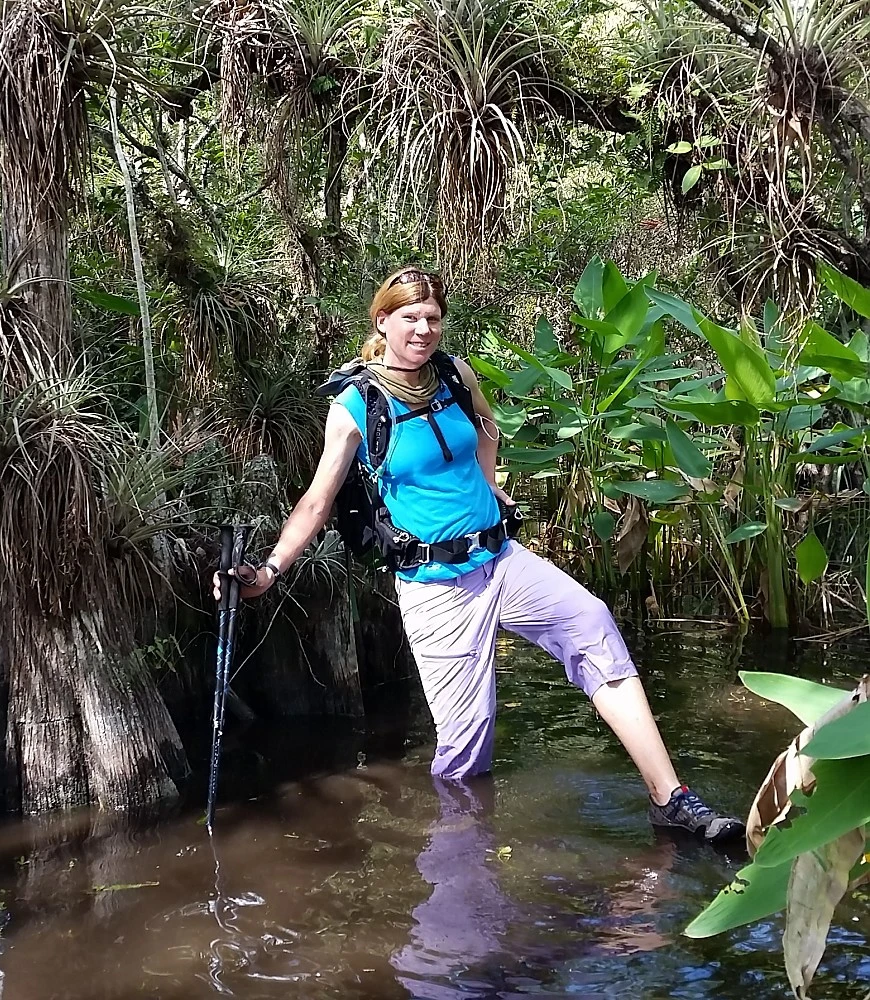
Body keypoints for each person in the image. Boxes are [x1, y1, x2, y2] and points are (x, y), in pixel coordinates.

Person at [215, 267, 744, 844]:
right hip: (435, 586)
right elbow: (318, 500)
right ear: (383, 321)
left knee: (591, 622)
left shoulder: (454, 373)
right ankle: (460, 876)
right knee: (467, 747)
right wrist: (270, 569)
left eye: (433, 318)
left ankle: (671, 798)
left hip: (501, 559)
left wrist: (489, 483)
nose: (423, 329)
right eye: (410, 318)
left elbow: (486, 425)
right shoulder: (354, 406)